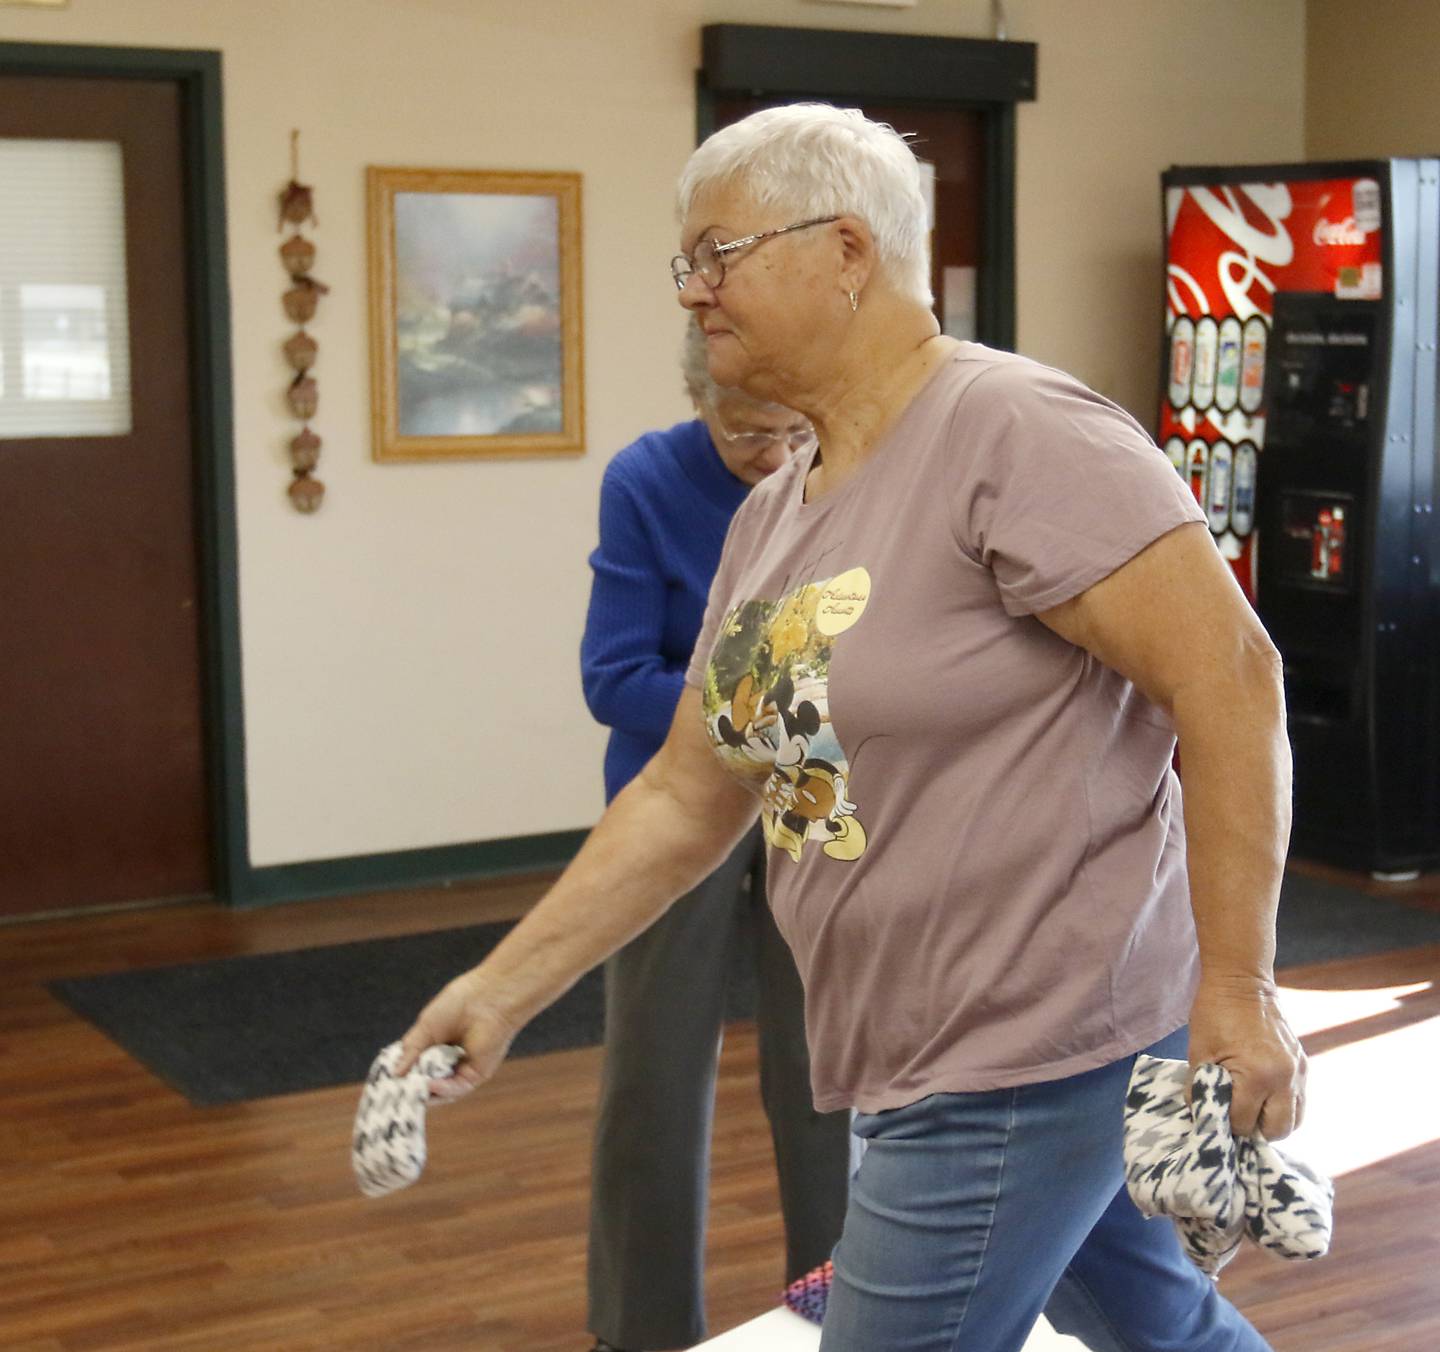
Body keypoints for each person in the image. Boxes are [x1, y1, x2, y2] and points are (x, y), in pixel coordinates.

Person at [399, 104, 1307, 1352]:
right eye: (687, 264)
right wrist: (498, 989)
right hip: (911, 1042)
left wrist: (1240, 987)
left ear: (846, 251)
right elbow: (686, 794)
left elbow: (1232, 678)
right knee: (1166, 1330)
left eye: (718, 254)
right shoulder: (776, 512)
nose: (693, 293)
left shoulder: (1018, 432)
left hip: (1023, 1044)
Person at [578, 327, 850, 1352]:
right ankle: (640, 1328)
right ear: (699, 400)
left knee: (825, 1069)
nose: (775, 456)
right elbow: (611, 677)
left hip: (808, 793)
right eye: (746, 433)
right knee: (652, 1074)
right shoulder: (646, 480)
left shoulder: (840, 470)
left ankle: (839, 1302)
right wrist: (751, 708)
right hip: (678, 799)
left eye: (792, 431)